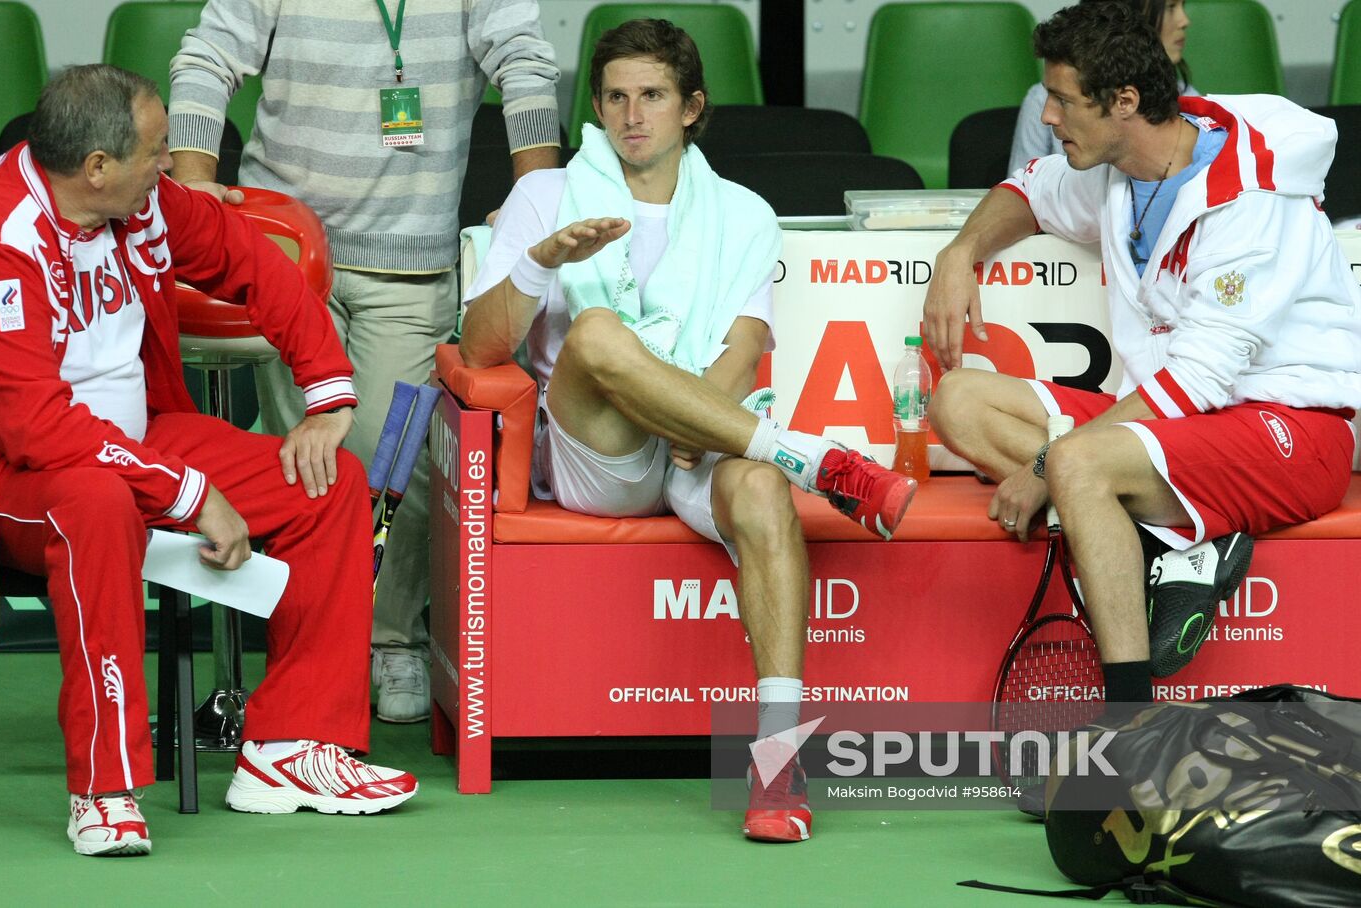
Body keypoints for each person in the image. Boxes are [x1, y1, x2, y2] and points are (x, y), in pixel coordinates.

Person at [459, 19, 918, 843]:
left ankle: (778, 766)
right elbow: (479, 349)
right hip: (597, 451)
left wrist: (696, 421)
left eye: (652, 96)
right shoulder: (546, 196)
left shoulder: (742, 213)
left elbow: (742, 349)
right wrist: (541, 260)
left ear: (692, 107)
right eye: (614, 99)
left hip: (700, 439)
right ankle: (813, 459)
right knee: (597, 332)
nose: (632, 115)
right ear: (596, 108)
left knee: (763, 490)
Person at [0, 65, 418, 857]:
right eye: (157, 150)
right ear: (96, 166)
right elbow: (33, 426)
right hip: (13, 477)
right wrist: (187, 492)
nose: (171, 164)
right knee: (98, 504)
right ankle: (104, 790)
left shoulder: (141, 200)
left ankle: (291, 748)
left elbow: (255, 262)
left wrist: (327, 395)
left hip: (139, 442)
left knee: (329, 484)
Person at [924, 1, 1361, 704]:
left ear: (1124, 101)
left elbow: (1196, 382)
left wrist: (1044, 468)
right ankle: (1181, 545)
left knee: (1075, 461)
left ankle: (1129, 716)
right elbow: (1026, 191)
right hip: (1179, 430)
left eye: (1064, 101)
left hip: (1293, 433)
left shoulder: (1250, 196)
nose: (1048, 117)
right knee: (958, 401)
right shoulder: (1115, 167)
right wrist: (960, 252)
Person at [168, 0, 562, 723]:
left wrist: (539, 193)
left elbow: (526, 63)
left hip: (411, 259)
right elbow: (205, 57)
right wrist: (193, 186)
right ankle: (309, 651)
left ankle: (392, 640)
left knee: (395, 461)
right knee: (308, 464)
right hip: (285, 252)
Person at [1009, 0, 1196, 177]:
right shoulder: (1039, 100)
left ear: (1126, 101)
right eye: (1170, 7)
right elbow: (1023, 184)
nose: (1184, 20)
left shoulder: (1192, 109)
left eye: (1063, 100)